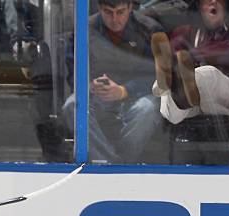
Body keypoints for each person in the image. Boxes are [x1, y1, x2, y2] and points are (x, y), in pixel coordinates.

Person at [63, 0, 163, 164]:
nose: (115, 19)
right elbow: (72, 70)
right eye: (108, 12)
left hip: (137, 94)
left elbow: (159, 75)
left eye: (120, 12)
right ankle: (109, 165)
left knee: (147, 109)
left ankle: (123, 164)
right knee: (72, 105)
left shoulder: (150, 30)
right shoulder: (84, 29)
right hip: (99, 95)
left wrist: (125, 90)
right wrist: (89, 85)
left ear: (131, 7)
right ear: (100, 8)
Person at [151, 0, 229, 125]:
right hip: (197, 101)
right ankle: (173, 88)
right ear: (199, 5)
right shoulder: (185, 31)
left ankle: (162, 86)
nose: (213, 1)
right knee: (174, 102)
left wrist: (191, 56)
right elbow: (173, 59)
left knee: (207, 74)